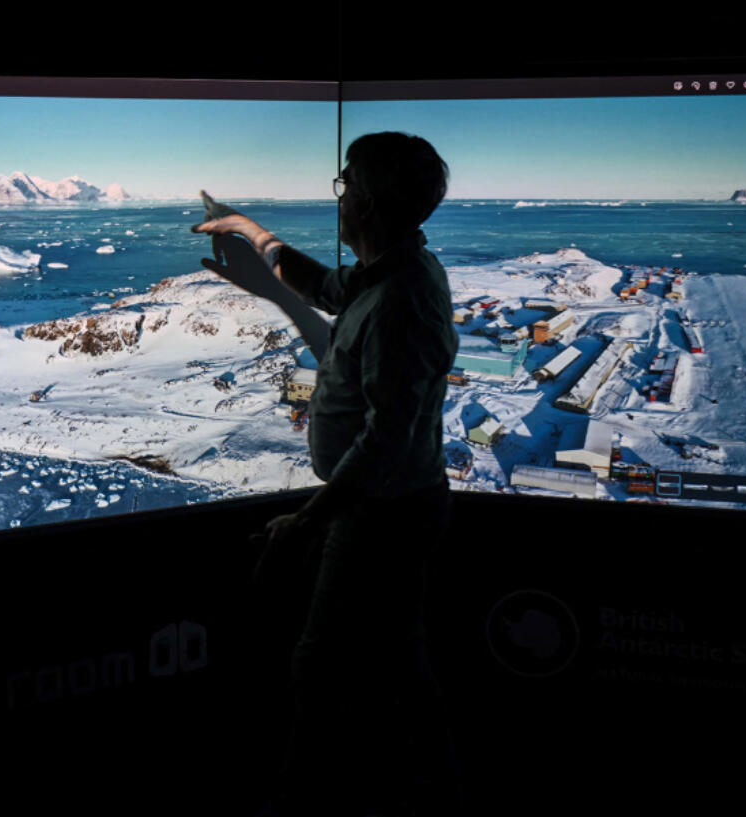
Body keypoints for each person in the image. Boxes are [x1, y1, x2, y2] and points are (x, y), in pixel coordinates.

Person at [193, 132, 461, 816]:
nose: (339, 197)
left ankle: (308, 796)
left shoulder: (400, 297)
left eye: (346, 184)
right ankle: (426, 771)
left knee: (320, 660)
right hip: (393, 502)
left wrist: (308, 519)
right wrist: (252, 233)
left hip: (383, 511)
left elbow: (385, 437)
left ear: (366, 201)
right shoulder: (389, 271)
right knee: (399, 650)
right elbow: (322, 285)